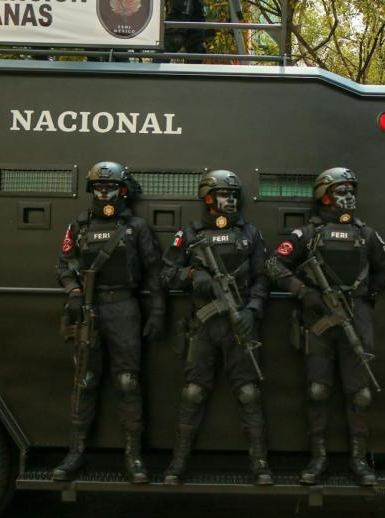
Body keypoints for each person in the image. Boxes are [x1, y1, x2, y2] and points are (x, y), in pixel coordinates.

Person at [266, 167, 385, 486]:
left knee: (361, 394)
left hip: (356, 318)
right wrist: (305, 293)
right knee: (317, 390)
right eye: (341, 190)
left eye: (351, 189)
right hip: (319, 322)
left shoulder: (366, 234)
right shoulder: (307, 234)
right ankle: (319, 458)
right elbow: (273, 265)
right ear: (324, 195)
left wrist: (363, 295)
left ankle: (358, 460)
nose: (348, 196)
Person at [53, 161, 165, 484]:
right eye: (99, 188)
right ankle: (75, 453)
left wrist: (157, 311)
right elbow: (63, 263)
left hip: (124, 308)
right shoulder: (79, 226)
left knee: (128, 382)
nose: (105, 193)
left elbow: (155, 271)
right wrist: (72, 290)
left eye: (111, 188)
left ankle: (134, 456)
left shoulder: (136, 228)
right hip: (89, 308)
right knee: (84, 380)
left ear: (122, 190)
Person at [161, 170, 273, 485]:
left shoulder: (250, 233)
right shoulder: (190, 234)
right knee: (193, 392)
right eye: (224, 194)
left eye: (234, 195)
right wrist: (193, 277)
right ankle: (178, 462)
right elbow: (166, 274)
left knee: (249, 393)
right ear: (208, 198)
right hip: (204, 324)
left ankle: (260, 463)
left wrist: (253, 308)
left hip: (240, 322)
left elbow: (262, 277)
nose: (230, 201)